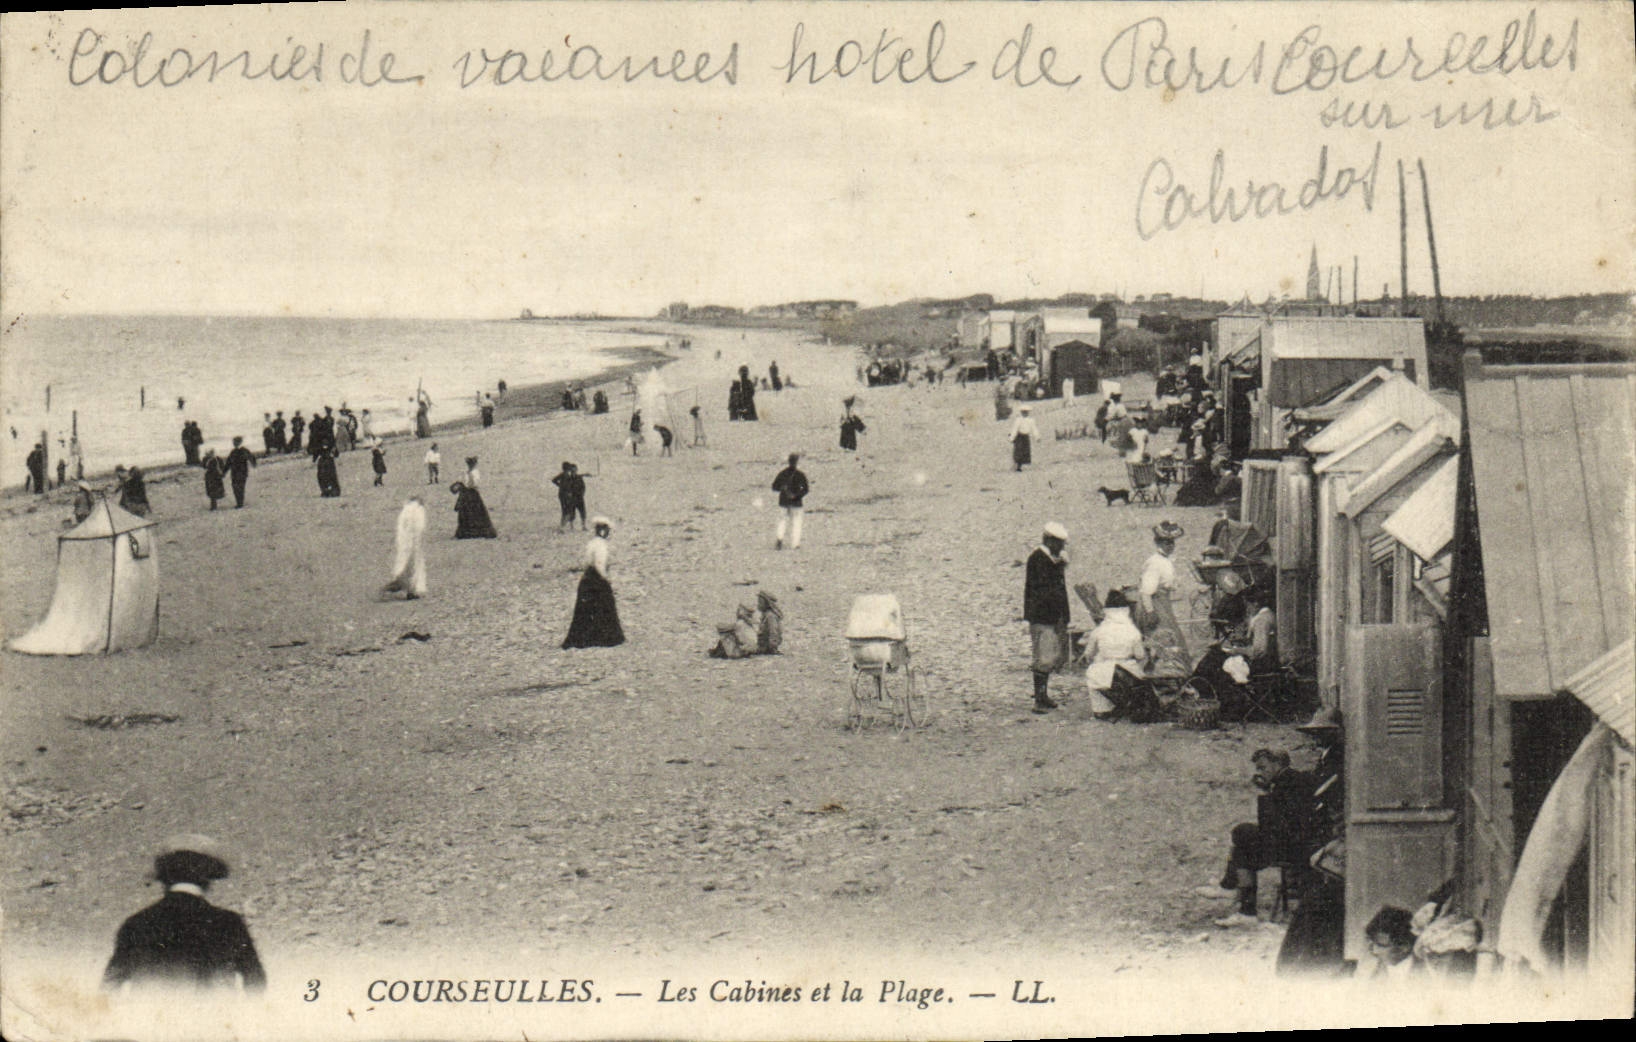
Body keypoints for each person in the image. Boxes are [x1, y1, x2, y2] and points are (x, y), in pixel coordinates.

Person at [102, 835, 266, 994]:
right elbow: (256, 981)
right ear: (207, 880)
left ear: (164, 879)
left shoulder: (135, 924)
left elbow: (109, 987)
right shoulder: (229, 923)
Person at [1200, 748, 1319, 927]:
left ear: (1277, 764)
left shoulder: (1289, 782)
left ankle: (1235, 895)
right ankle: (1238, 901)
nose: (1260, 772)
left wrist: (1266, 794)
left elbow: (1274, 823)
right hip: (1293, 842)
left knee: (1241, 833)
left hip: (1295, 846)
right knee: (1243, 848)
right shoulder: (1287, 780)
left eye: (1263, 767)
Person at [1023, 522, 1071, 713]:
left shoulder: (1048, 559)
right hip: (1043, 616)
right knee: (1043, 657)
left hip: (1047, 616)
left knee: (1047, 656)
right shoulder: (1039, 560)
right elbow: (1047, 591)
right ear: (1050, 541)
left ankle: (1042, 696)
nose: (1062, 548)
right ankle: (1039, 699)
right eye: (1060, 543)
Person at [1083, 588, 1147, 719]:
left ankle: (1101, 709)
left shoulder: (1099, 630)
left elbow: (1088, 654)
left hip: (1102, 671)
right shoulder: (1132, 631)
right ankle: (1127, 704)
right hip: (1126, 671)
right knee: (1139, 673)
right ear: (1126, 610)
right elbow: (1140, 655)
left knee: (1094, 674)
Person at [562, 516, 625, 648]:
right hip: (597, 580)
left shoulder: (591, 543)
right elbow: (599, 564)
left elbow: (586, 563)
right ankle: (605, 638)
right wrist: (606, 579)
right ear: (603, 531)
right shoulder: (602, 545)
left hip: (587, 580)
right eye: (607, 530)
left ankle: (585, 638)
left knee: (585, 610)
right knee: (605, 606)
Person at [1138, 521, 1183, 632]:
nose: (1170, 546)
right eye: (1166, 543)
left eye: (1172, 543)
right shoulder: (1155, 562)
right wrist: (1150, 612)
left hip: (1164, 602)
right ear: (1158, 543)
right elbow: (1146, 591)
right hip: (1156, 604)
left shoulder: (1166, 560)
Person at [381, 497, 428, 599]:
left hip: (405, 541)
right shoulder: (418, 511)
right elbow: (420, 528)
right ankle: (411, 589)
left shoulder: (406, 511)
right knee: (413, 564)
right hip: (413, 541)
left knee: (406, 563)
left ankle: (406, 587)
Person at [771, 452, 809, 550]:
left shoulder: (782, 474)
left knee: (782, 521)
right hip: (796, 503)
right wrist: (796, 495)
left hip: (783, 502)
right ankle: (795, 544)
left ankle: (779, 539)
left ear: (788, 461)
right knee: (796, 523)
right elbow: (805, 490)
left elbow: (774, 487)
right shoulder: (800, 475)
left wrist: (782, 488)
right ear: (796, 462)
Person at [552, 461, 588, 531]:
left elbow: (583, 487)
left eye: (574, 470)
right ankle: (566, 527)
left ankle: (580, 526)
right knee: (569, 512)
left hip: (577, 497)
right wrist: (561, 486)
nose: (573, 471)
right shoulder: (568, 477)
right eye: (572, 470)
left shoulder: (575, 477)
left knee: (581, 512)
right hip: (571, 498)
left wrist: (581, 494)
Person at [222, 437, 256, 509]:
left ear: (239, 442)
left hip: (241, 472)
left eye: (234, 442)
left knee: (239, 487)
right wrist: (224, 472)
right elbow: (228, 462)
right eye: (233, 442)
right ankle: (239, 502)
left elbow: (251, 457)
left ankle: (240, 503)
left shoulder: (243, 450)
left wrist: (253, 463)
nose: (233, 443)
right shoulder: (234, 451)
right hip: (236, 472)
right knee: (236, 487)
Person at [1009, 405, 1038, 471]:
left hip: (1026, 437)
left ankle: (1020, 465)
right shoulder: (1018, 420)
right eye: (1023, 412)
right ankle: (1017, 466)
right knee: (1018, 452)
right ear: (1021, 412)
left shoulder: (1031, 420)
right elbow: (1015, 429)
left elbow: (1034, 429)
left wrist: (1037, 437)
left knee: (1025, 452)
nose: (1025, 413)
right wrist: (1012, 438)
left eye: (1026, 412)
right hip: (1019, 437)